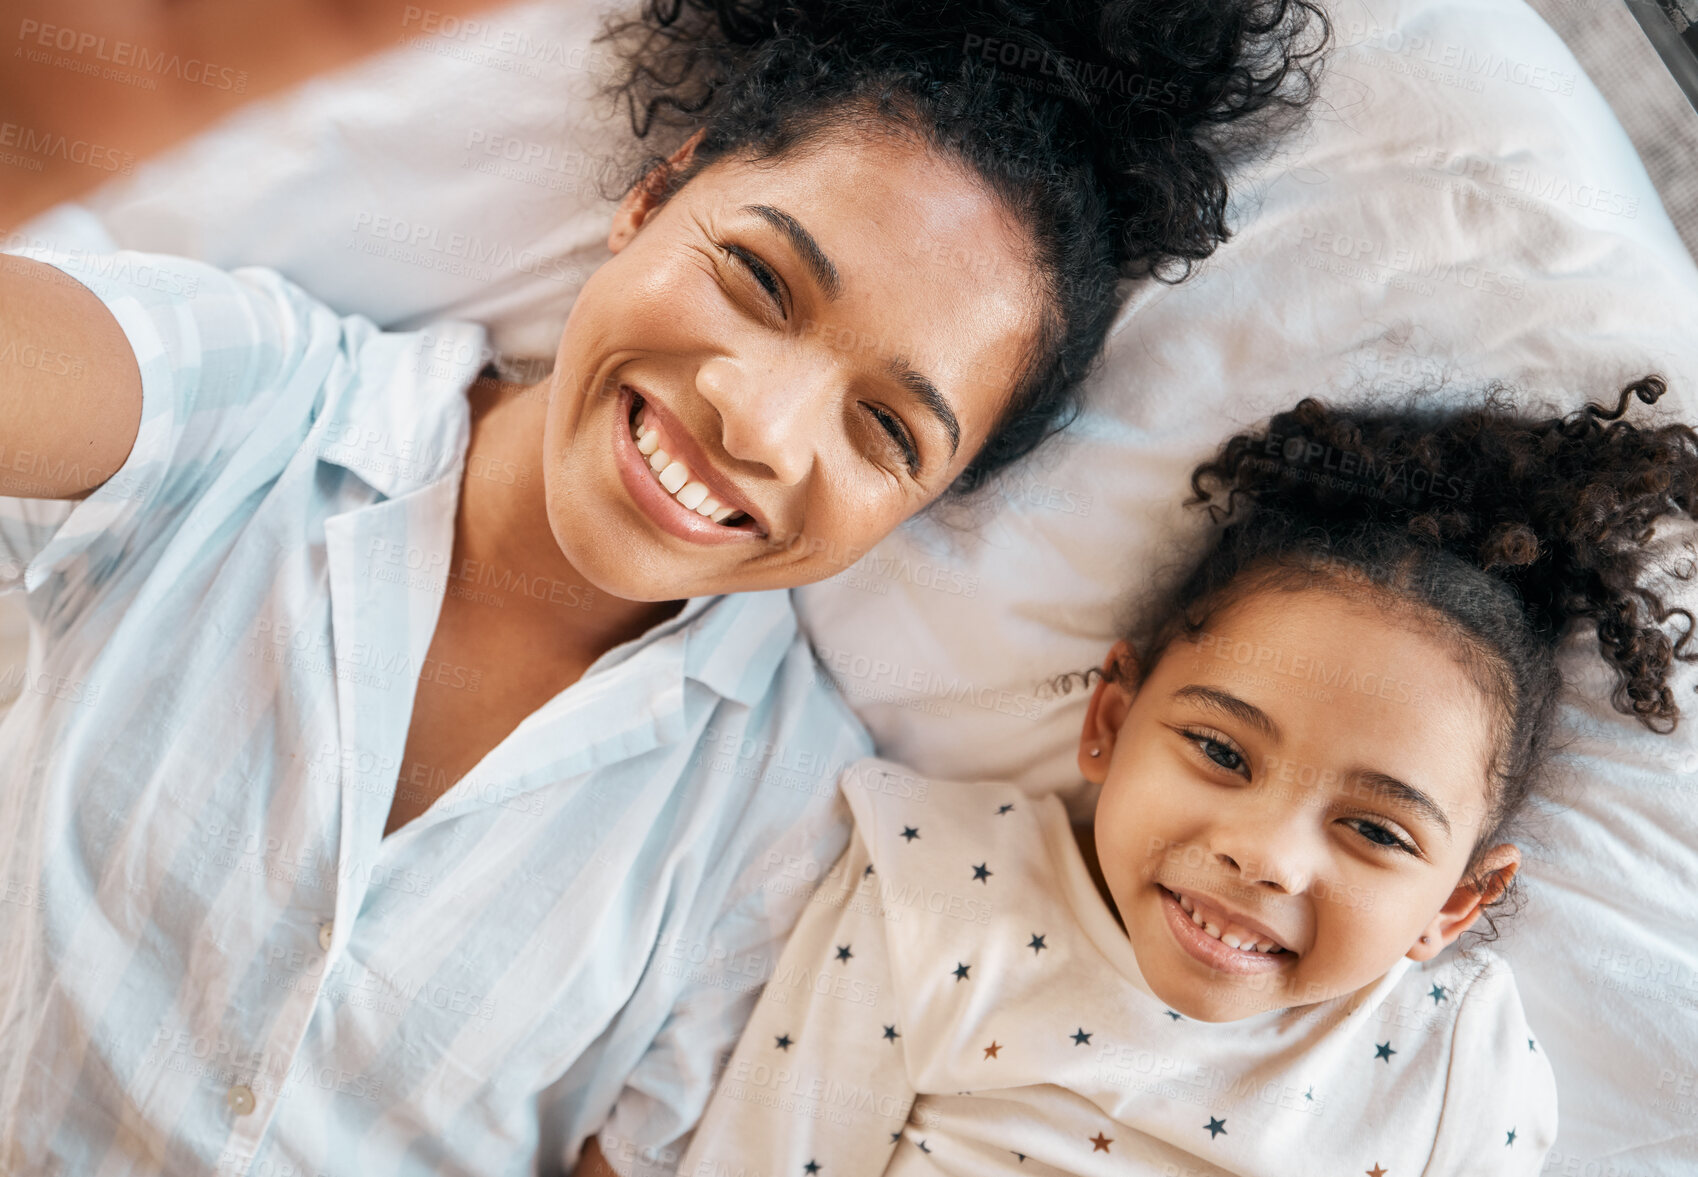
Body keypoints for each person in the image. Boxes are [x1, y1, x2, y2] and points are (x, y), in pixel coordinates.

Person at [0, 1, 1329, 1174]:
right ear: (656, 192)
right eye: (758, 280)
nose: (758, 423)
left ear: (924, 506)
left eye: (886, 433)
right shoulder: (256, 408)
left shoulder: (791, 817)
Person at [679, 377, 1698, 1175]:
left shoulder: (1455, 1066)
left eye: (1378, 831)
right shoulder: (941, 891)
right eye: (1221, 752)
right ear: (1112, 722)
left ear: (1460, 901)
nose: (1263, 852)